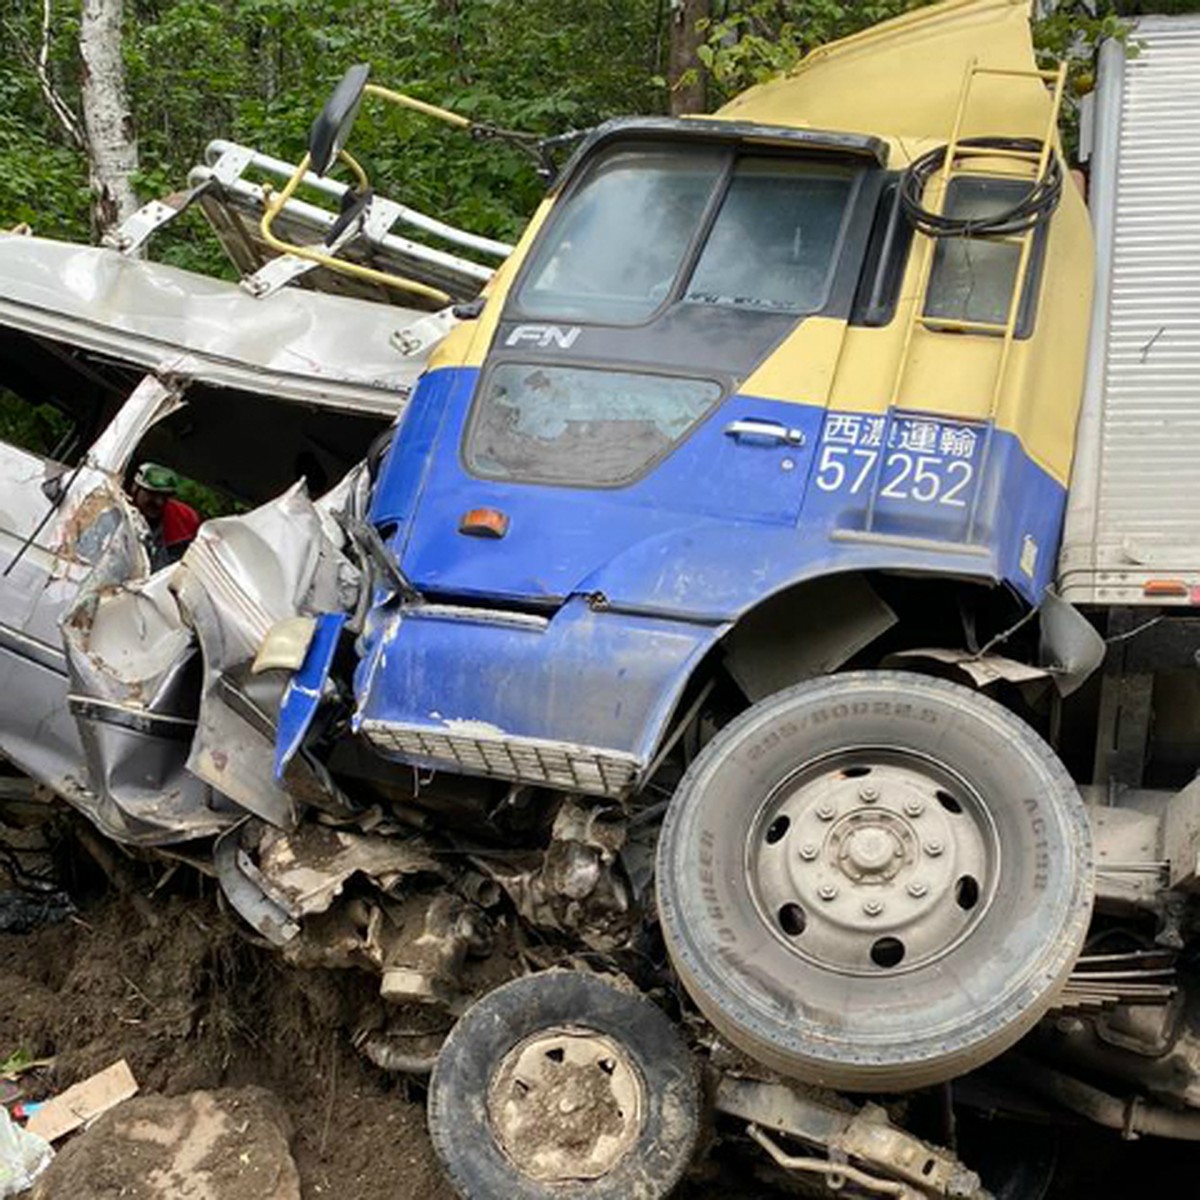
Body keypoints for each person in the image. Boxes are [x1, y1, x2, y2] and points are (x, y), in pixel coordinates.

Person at [129, 462, 201, 569]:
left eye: (165, 496)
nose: (159, 502)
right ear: (135, 489)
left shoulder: (185, 519)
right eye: (152, 494)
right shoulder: (115, 515)